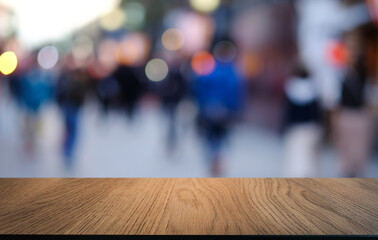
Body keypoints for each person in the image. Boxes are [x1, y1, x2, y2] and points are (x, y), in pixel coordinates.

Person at [193, 43, 243, 176]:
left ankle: (212, 158)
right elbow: (236, 92)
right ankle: (218, 159)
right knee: (221, 135)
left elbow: (199, 89)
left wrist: (201, 107)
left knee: (210, 135)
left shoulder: (208, 70)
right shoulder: (232, 72)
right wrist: (235, 109)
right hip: (225, 110)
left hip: (209, 108)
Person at [332, 49, 372, 177]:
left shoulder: (346, 80)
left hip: (348, 115)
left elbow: (340, 100)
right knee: (358, 145)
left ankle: (348, 168)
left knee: (347, 145)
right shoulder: (365, 79)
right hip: (359, 116)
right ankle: (355, 168)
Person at [282, 63, 322, 177]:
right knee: (310, 159)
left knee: (296, 158)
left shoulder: (290, 88)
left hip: (296, 128)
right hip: (311, 127)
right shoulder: (314, 89)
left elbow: (288, 112)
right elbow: (317, 113)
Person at [56, 67, 87, 166]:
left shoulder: (67, 82)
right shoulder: (76, 84)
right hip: (72, 109)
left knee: (69, 129)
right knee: (73, 131)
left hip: (69, 108)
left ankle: (66, 149)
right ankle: (68, 151)